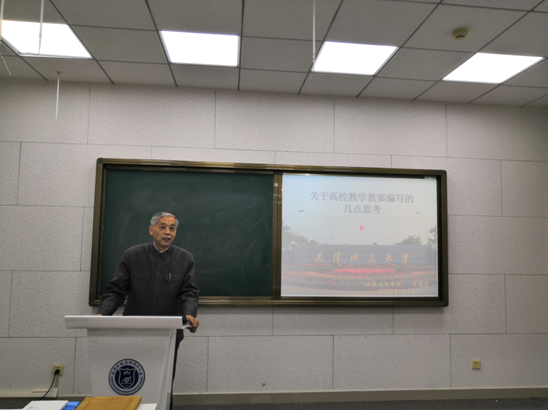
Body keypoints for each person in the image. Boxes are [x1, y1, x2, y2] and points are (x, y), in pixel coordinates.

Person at [95, 211, 199, 409]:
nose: (168, 232)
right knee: (132, 377)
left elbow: (189, 292)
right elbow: (116, 290)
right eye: (163, 227)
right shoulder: (132, 255)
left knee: (164, 380)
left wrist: (189, 315)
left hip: (169, 332)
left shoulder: (185, 258)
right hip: (134, 330)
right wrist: (102, 315)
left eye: (172, 228)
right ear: (152, 230)